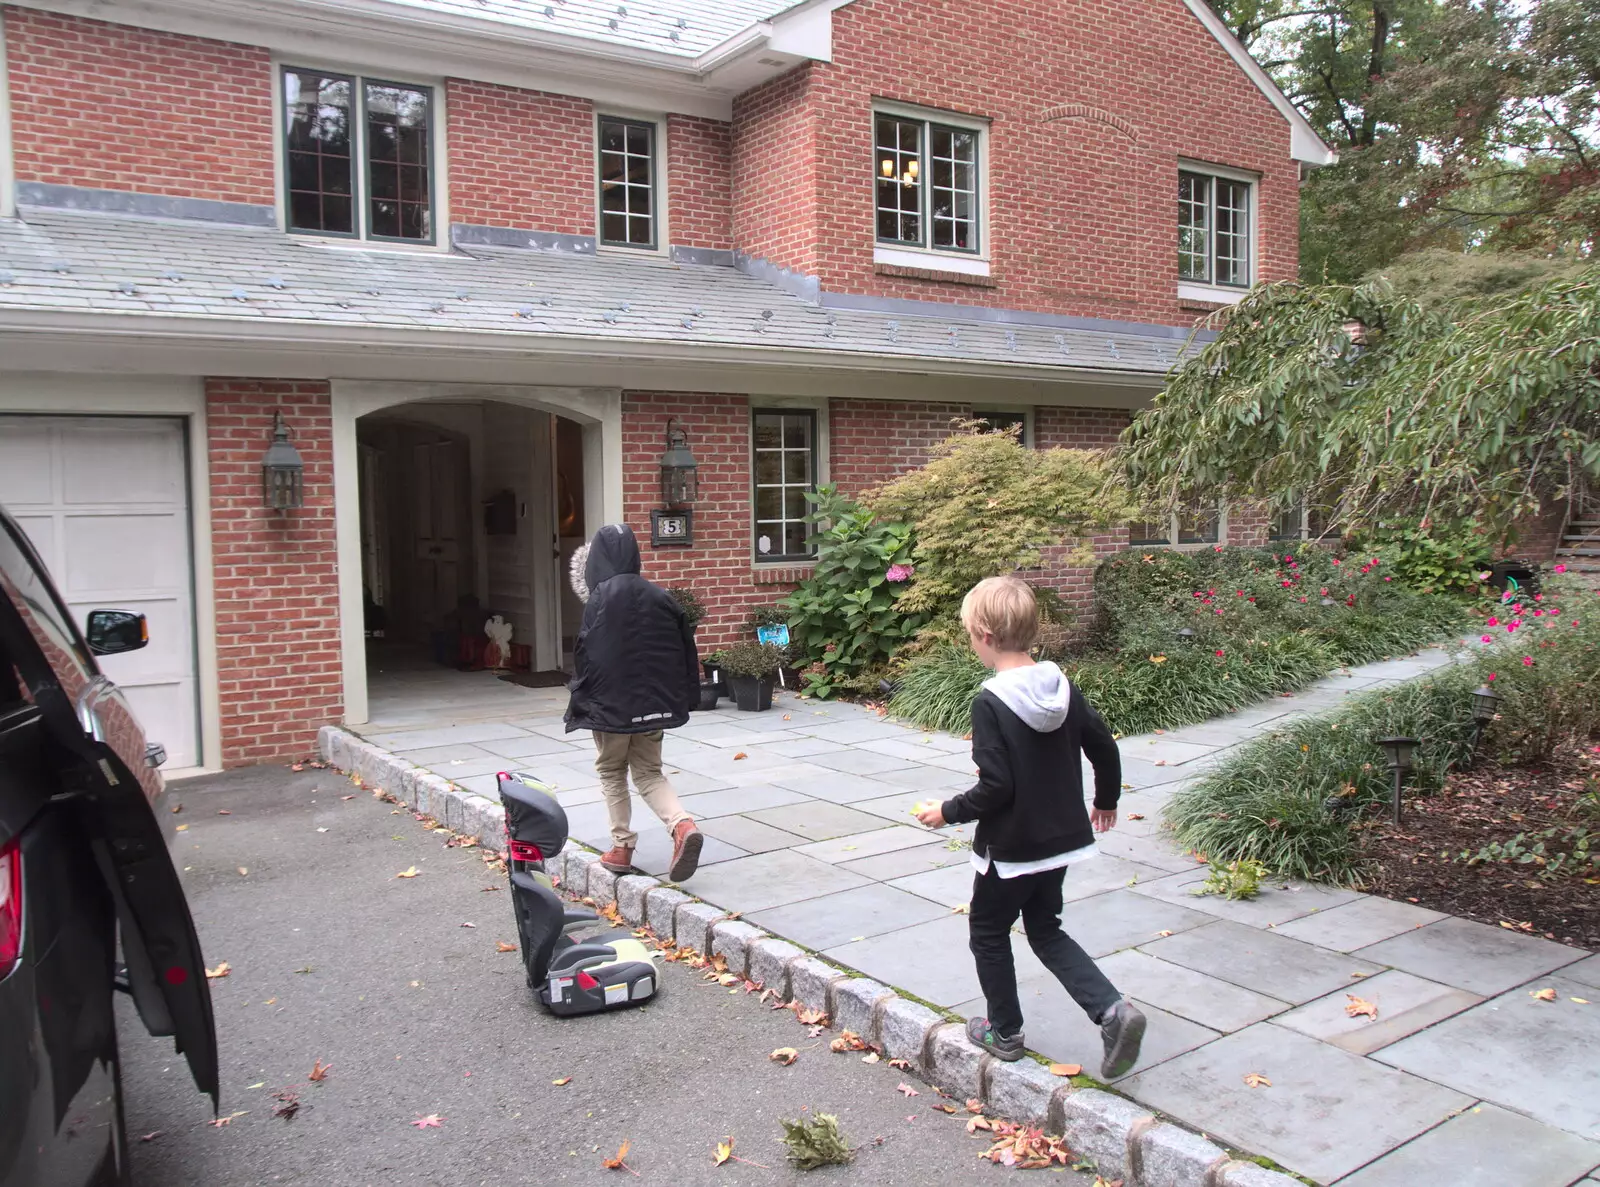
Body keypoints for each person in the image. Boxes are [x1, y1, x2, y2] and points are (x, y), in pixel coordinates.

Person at [916, 575, 1146, 1079]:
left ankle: (1006, 1032)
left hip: (1013, 846)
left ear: (984, 634)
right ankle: (1113, 1012)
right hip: (1061, 840)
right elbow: (1104, 746)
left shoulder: (991, 701)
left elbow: (996, 787)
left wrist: (948, 810)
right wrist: (1105, 800)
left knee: (989, 931)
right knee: (1045, 927)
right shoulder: (1060, 686)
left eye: (968, 634)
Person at [565, 523, 704, 881]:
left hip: (612, 708)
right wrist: (687, 697)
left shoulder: (599, 599)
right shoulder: (661, 597)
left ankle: (621, 847)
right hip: (656, 704)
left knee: (612, 770)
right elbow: (686, 651)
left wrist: (581, 701)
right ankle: (683, 826)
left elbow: (588, 655)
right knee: (649, 771)